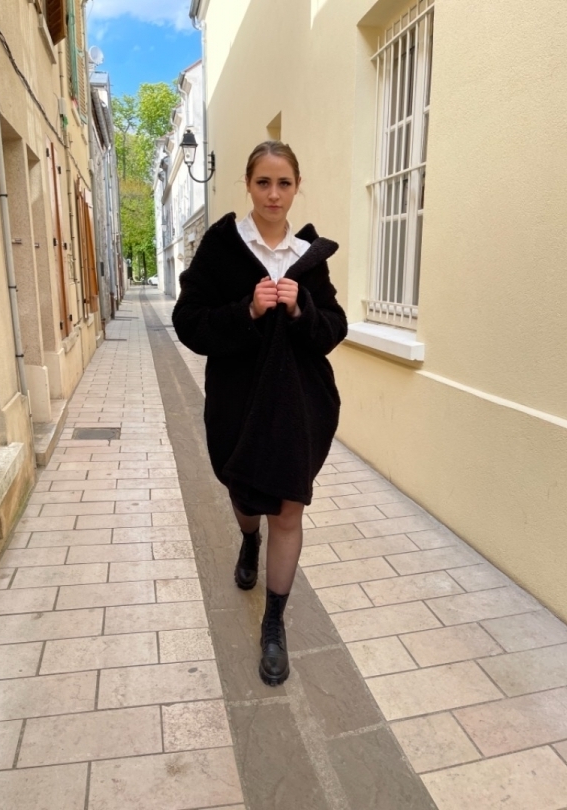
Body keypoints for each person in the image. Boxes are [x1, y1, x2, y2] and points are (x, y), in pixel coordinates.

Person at [172, 141, 347, 686]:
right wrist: (246, 310)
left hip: (299, 406)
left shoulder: (308, 255)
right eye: (263, 182)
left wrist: (302, 308)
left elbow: (333, 329)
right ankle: (248, 538)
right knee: (245, 497)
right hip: (238, 404)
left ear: (296, 187)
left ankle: (274, 623)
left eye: (284, 183)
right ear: (248, 185)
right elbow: (188, 321)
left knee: (288, 512)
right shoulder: (222, 246)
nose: (274, 194)